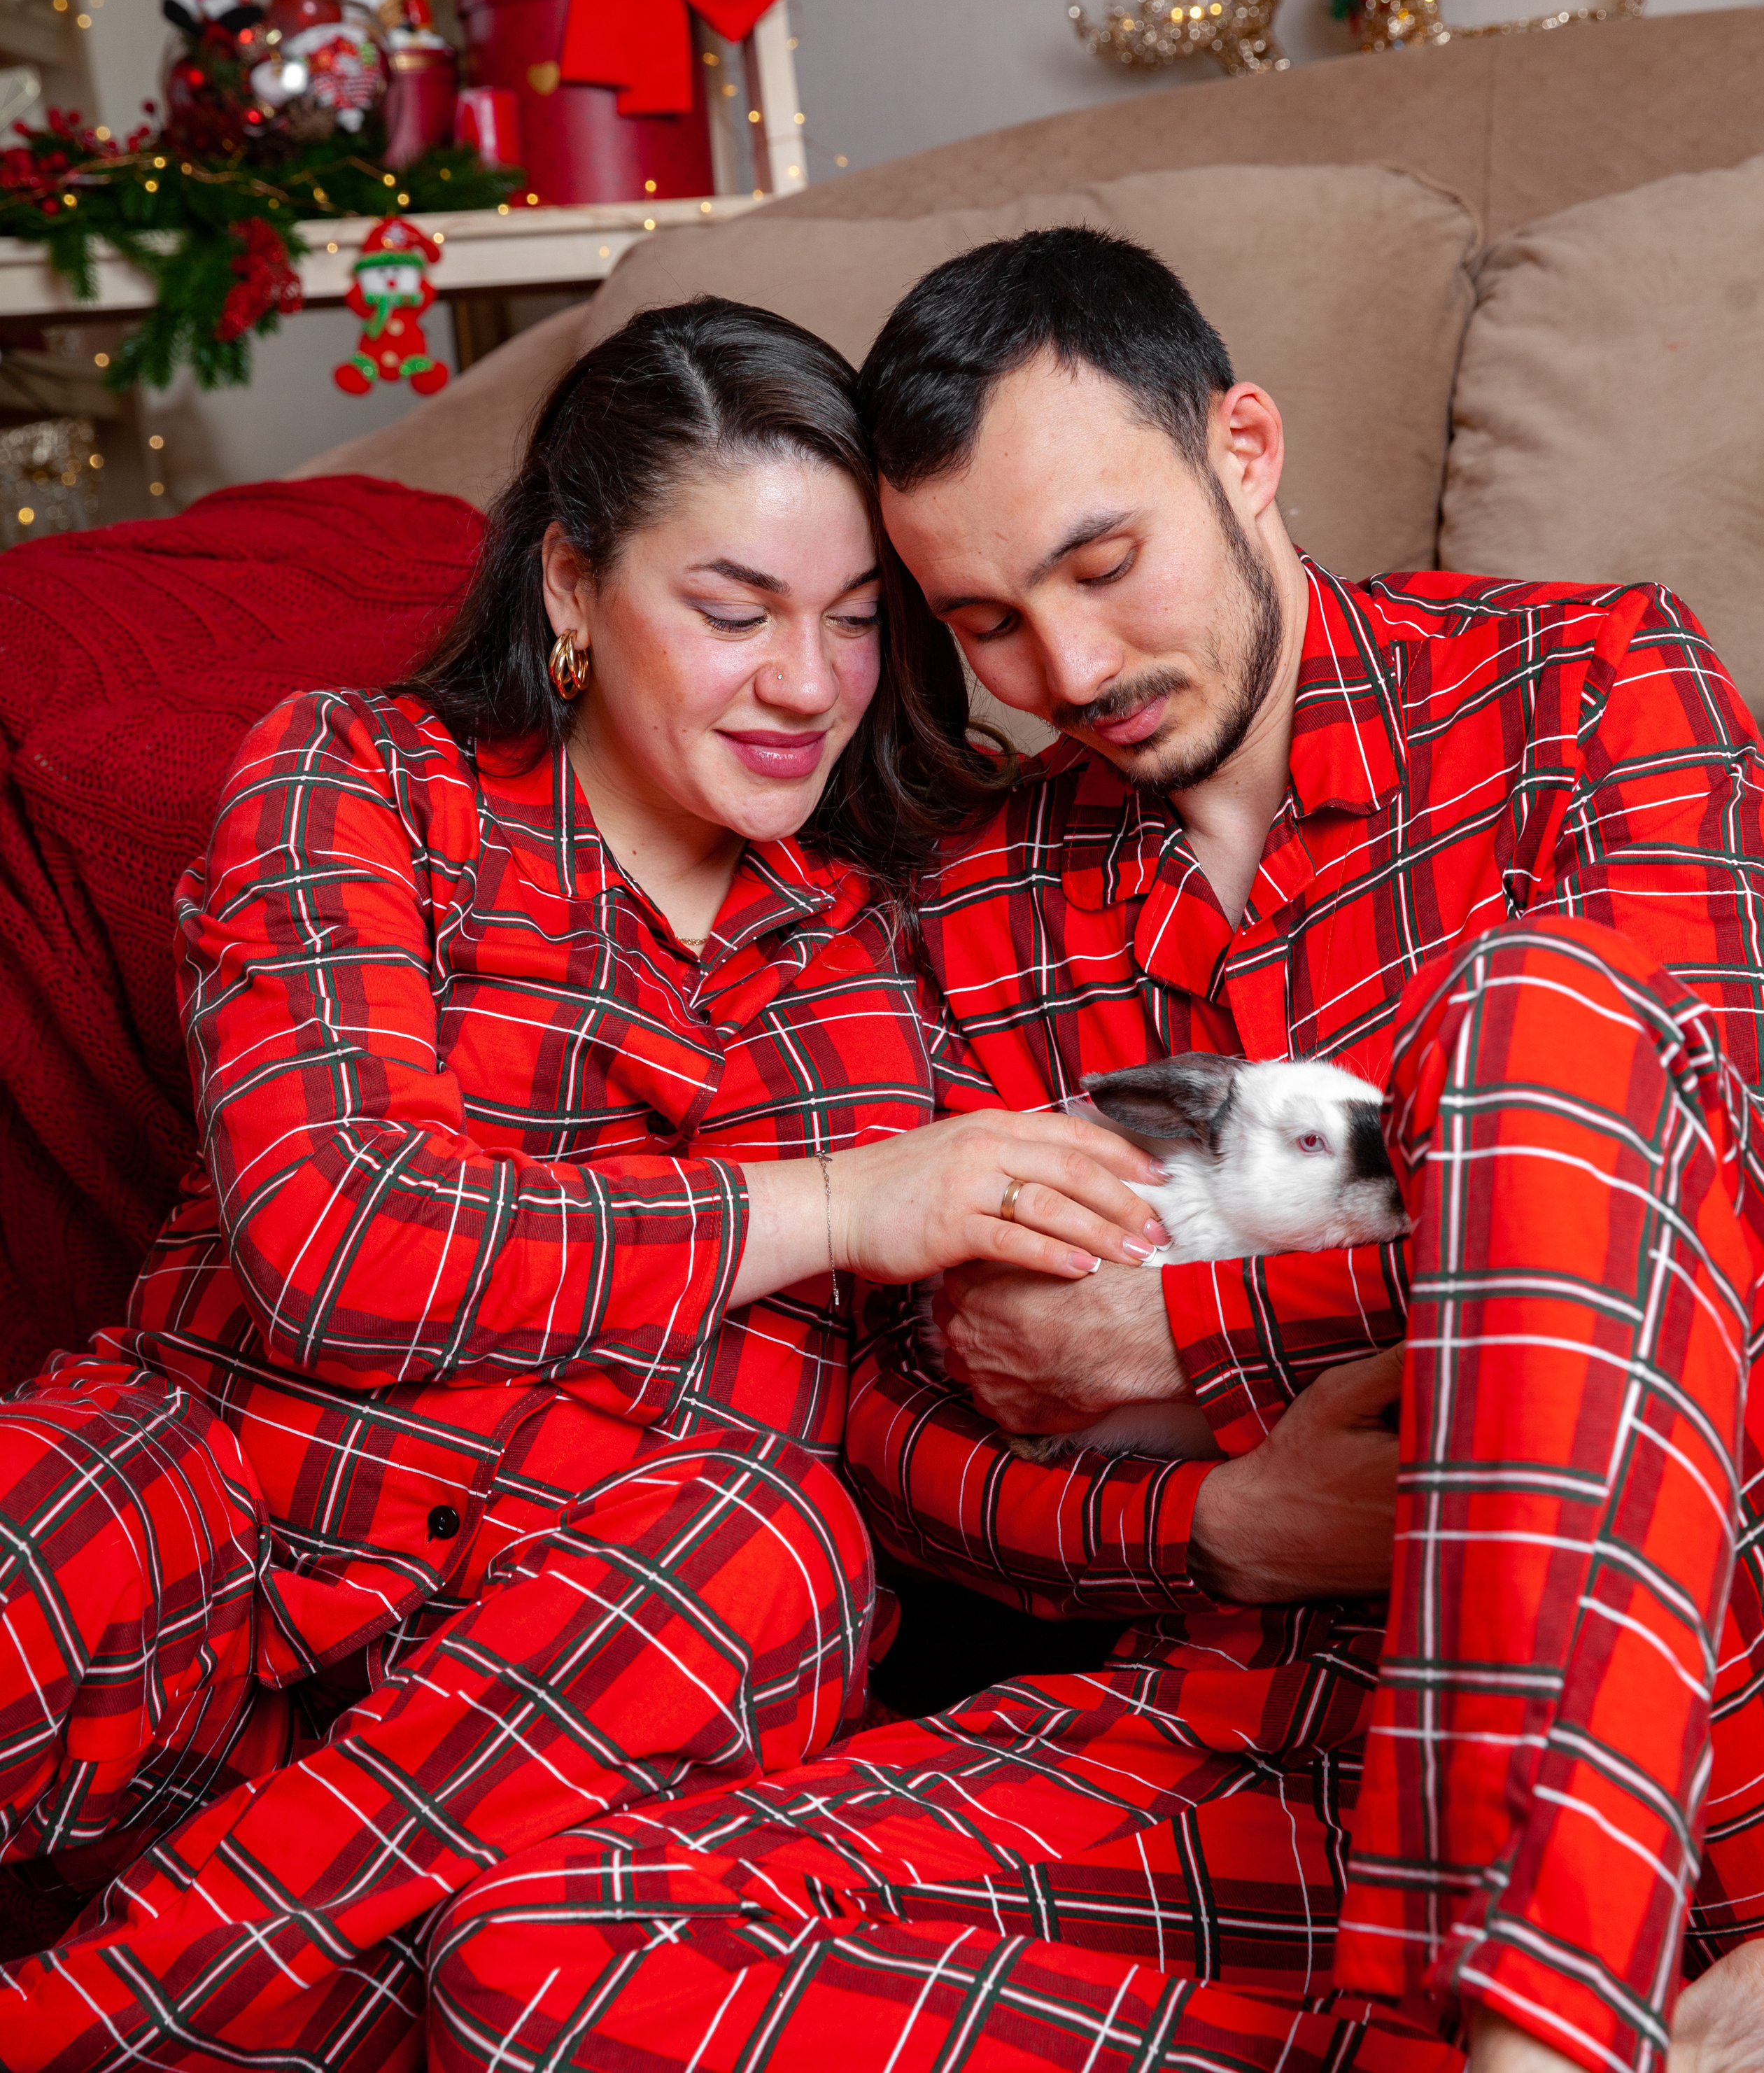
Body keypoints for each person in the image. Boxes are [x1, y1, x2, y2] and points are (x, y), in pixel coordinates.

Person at [428, 232, 1764, 2073]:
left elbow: (1726, 1162)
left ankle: (1540, 2031)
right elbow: (908, 1429)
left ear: (1242, 446)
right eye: (983, 620)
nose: (1065, 664)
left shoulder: (1587, 683)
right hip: (1278, 1733)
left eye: (1100, 563)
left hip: (1723, 1676)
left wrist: (1185, 1332)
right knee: (540, 1952)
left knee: (1544, 1009)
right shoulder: (982, 907)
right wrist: (1219, 1518)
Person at [0, 295, 1173, 2071]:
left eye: (857, 624)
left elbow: (947, 1386)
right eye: (733, 611)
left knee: (767, 1545)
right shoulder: (360, 780)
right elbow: (334, 1237)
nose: (804, 686)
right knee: (63, 1499)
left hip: (593, 1657)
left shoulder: (898, 941)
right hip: (224, 1501)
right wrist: (840, 1205)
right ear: (566, 588)